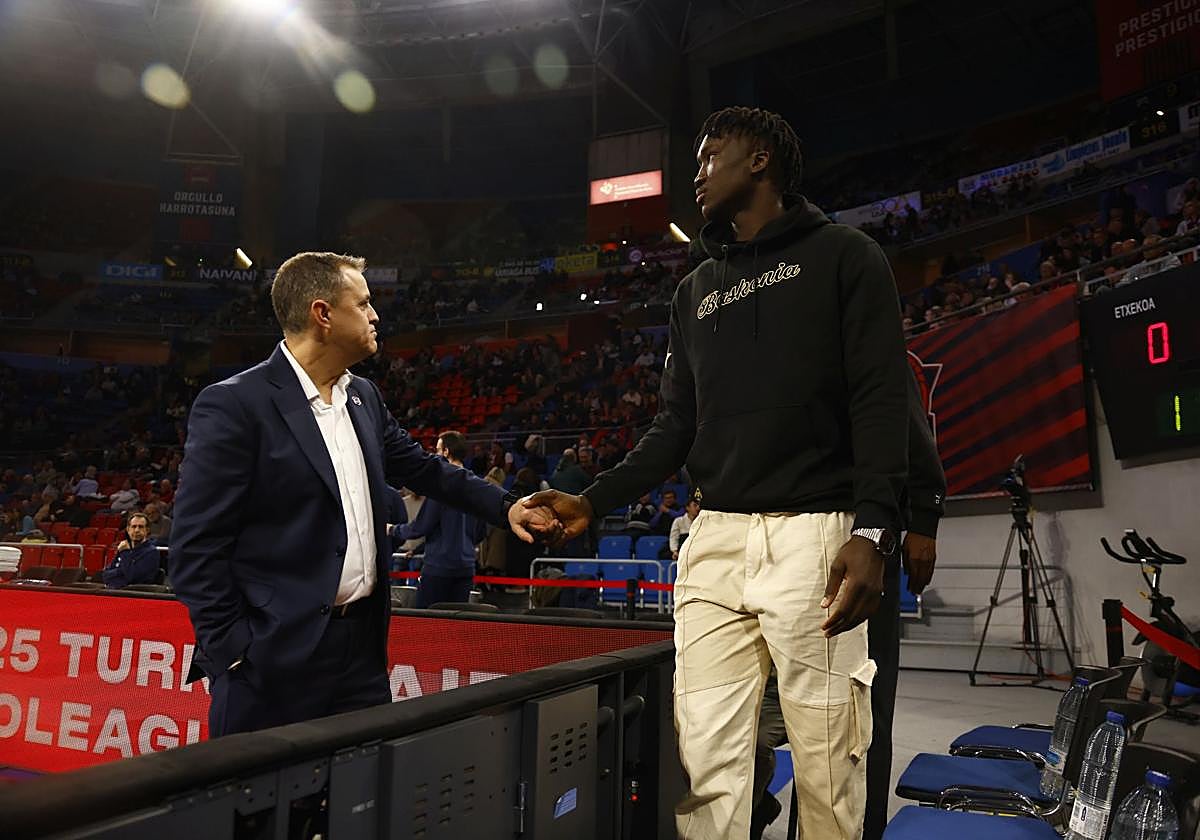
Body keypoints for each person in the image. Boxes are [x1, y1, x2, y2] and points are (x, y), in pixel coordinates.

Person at [527, 106, 909, 839]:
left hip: (816, 539)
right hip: (714, 543)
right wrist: (592, 499)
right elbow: (675, 428)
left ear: (760, 158)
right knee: (706, 771)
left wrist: (875, 526)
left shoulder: (846, 255)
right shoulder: (693, 292)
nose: (696, 174)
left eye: (710, 156)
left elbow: (881, 401)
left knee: (829, 768)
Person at [170, 251, 559, 737]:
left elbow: (425, 468)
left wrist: (507, 506)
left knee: (359, 805)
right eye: (364, 303)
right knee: (259, 811)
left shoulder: (364, 397)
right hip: (272, 660)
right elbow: (194, 548)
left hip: (361, 656)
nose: (376, 315)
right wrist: (237, 649)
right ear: (323, 314)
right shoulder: (234, 404)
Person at [749, 370, 947, 840]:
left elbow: (906, 424)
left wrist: (925, 518)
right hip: (768, 538)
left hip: (855, 539)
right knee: (758, 713)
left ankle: (862, 831)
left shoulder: (855, 318)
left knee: (859, 715)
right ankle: (754, 811)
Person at [391, 431, 482, 609]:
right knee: (456, 624)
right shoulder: (477, 485)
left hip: (439, 567)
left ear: (446, 452)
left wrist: (392, 530)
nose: (435, 455)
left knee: (428, 623)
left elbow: (421, 527)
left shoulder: (441, 486)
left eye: (438, 450)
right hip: (466, 567)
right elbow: (479, 532)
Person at [99, 512, 160, 589]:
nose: (137, 530)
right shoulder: (124, 549)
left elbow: (132, 577)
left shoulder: (151, 552)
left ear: (147, 530)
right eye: (133, 527)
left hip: (135, 595)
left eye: (140, 527)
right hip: (115, 592)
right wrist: (122, 571)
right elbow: (105, 575)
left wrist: (124, 553)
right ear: (128, 529)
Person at [669, 493, 701, 560]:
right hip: (683, 550)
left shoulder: (702, 521)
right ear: (687, 507)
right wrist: (674, 551)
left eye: (698, 506)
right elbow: (673, 537)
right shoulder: (678, 521)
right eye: (695, 505)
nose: (698, 508)